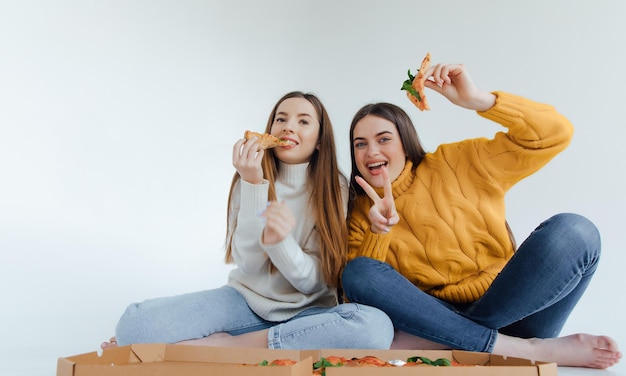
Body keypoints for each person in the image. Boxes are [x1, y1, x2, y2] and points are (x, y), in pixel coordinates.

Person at [340, 61, 622, 369]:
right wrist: (378, 232)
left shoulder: (458, 161)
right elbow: (362, 298)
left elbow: (556, 133)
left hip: (513, 311)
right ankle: (523, 350)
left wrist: (479, 100)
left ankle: (455, 341)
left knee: (576, 231)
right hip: (446, 317)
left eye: (383, 139)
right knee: (357, 272)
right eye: (360, 144)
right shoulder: (359, 215)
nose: (371, 152)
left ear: (405, 143)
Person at [101, 91, 394, 350]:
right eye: (281, 119)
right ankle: (281, 340)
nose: (288, 126)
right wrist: (254, 184)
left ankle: (235, 345)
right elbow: (250, 265)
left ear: (320, 141)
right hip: (244, 302)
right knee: (134, 326)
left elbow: (313, 282)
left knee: (374, 326)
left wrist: (281, 243)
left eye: (303, 121)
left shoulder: (335, 188)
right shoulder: (249, 178)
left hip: (309, 312)